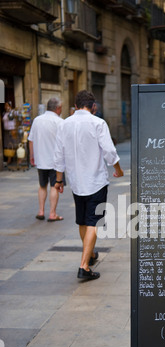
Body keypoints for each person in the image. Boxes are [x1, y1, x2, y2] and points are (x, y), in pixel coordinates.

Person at [54, 90, 124, 281]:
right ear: (93, 106)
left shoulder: (65, 124)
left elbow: (58, 154)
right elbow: (109, 150)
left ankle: (90, 254)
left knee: (83, 221)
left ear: (75, 106)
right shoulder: (98, 123)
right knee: (94, 221)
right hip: (95, 181)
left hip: (77, 182)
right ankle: (84, 266)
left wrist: (59, 180)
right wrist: (118, 169)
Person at [28, 97, 65, 221]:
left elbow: (31, 140)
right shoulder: (60, 122)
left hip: (41, 160)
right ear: (58, 108)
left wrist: (32, 156)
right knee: (55, 186)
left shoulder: (37, 120)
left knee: (42, 185)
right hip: (56, 162)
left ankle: (41, 211)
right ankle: (52, 214)